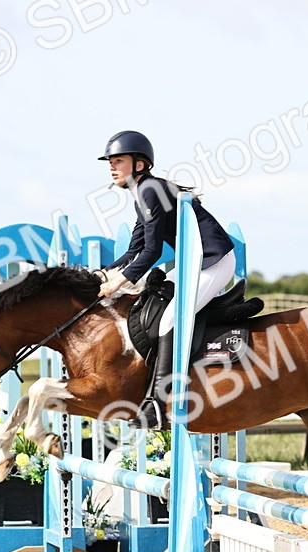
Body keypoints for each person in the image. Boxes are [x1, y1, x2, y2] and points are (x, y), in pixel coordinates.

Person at [96, 130, 236, 430]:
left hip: (214, 261)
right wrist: (105, 273)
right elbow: (134, 249)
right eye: (110, 162)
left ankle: (158, 404)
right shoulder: (142, 194)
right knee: (155, 305)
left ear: (140, 164)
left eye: (118, 161)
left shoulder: (150, 190)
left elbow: (152, 251)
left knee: (170, 319)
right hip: (194, 263)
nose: (112, 167)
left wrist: (118, 283)